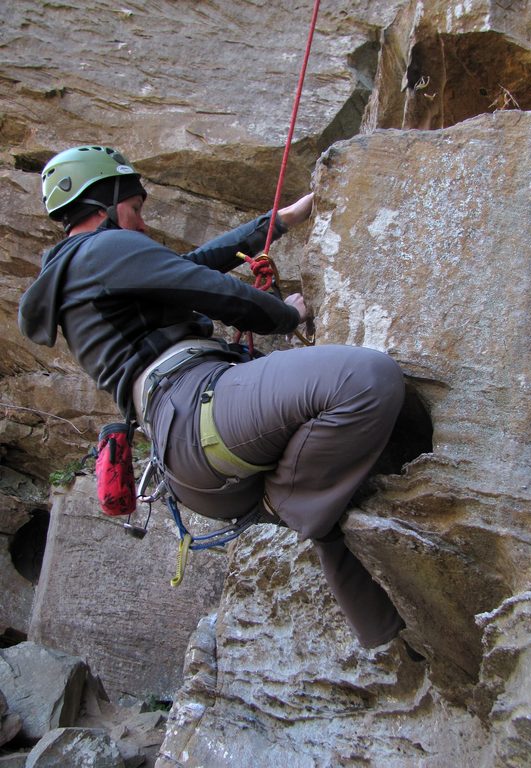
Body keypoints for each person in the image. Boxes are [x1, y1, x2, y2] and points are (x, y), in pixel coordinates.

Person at [19, 145, 407, 650]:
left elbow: (187, 265)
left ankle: (394, 642)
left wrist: (278, 221)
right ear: (104, 204)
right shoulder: (100, 251)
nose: (141, 224)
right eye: (135, 209)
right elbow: (202, 285)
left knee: (335, 508)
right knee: (365, 378)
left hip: (195, 467)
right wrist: (284, 314)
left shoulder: (82, 273)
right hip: (199, 412)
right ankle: (283, 502)